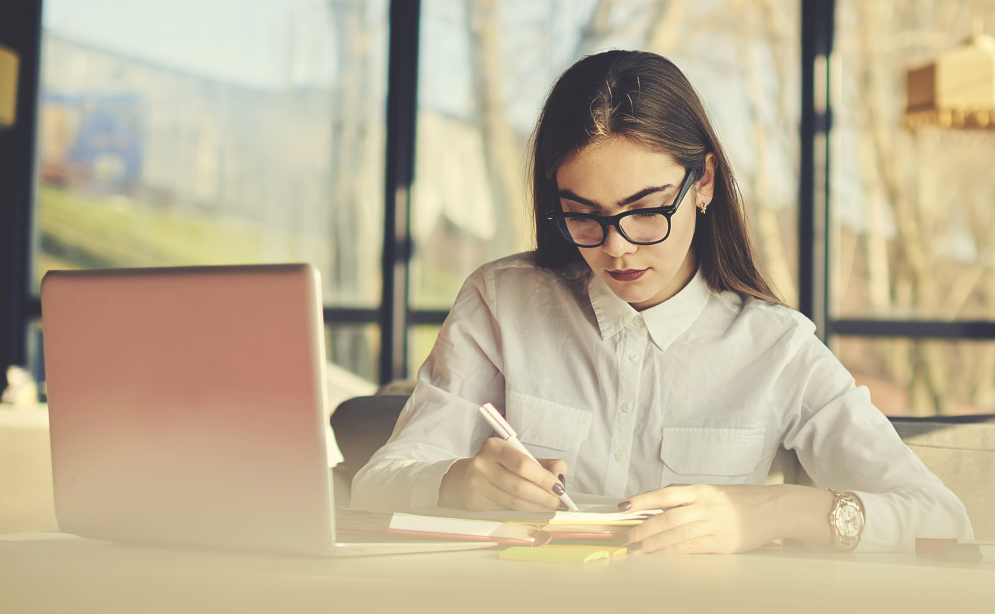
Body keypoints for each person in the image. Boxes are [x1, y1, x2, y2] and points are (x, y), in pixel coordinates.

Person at [350, 50, 972, 553]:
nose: (617, 248)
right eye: (583, 216)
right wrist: (460, 482)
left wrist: (774, 511)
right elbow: (374, 486)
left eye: (646, 211)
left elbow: (941, 519)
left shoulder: (776, 350)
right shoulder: (501, 303)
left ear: (702, 182)